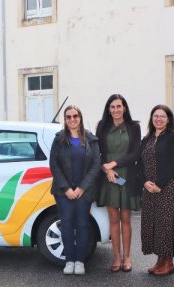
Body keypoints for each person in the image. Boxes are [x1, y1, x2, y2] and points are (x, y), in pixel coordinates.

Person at [49, 105, 100, 275]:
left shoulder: (91, 140)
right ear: (65, 120)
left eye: (75, 116)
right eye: (68, 117)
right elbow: (54, 165)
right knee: (67, 225)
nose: (72, 119)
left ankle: (80, 261)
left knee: (83, 225)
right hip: (63, 192)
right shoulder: (59, 139)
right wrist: (66, 188)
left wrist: (81, 188)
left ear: (80, 117)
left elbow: (96, 165)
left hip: (84, 192)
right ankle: (69, 260)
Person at [96, 94, 141, 272]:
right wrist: (106, 170)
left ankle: (127, 257)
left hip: (127, 175)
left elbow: (135, 153)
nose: (116, 110)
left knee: (126, 219)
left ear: (125, 108)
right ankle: (116, 257)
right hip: (108, 177)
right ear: (109, 109)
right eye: (112, 107)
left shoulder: (134, 127)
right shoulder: (102, 126)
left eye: (119, 106)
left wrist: (113, 164)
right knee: (113, 219)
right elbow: (96, 153)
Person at [137, 105, 174, 276]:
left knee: (165, 225)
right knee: (152, 224)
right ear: (152, 118)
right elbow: (139, 164)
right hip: (148, 188)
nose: (158, 119)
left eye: (162, 116)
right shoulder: (147, 138)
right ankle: (159, 260)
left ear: (168, 119)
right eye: (155, 116)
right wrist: (144, 182)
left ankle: (169, 262)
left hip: (167, 187)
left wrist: (159, 184)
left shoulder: (173, 137)